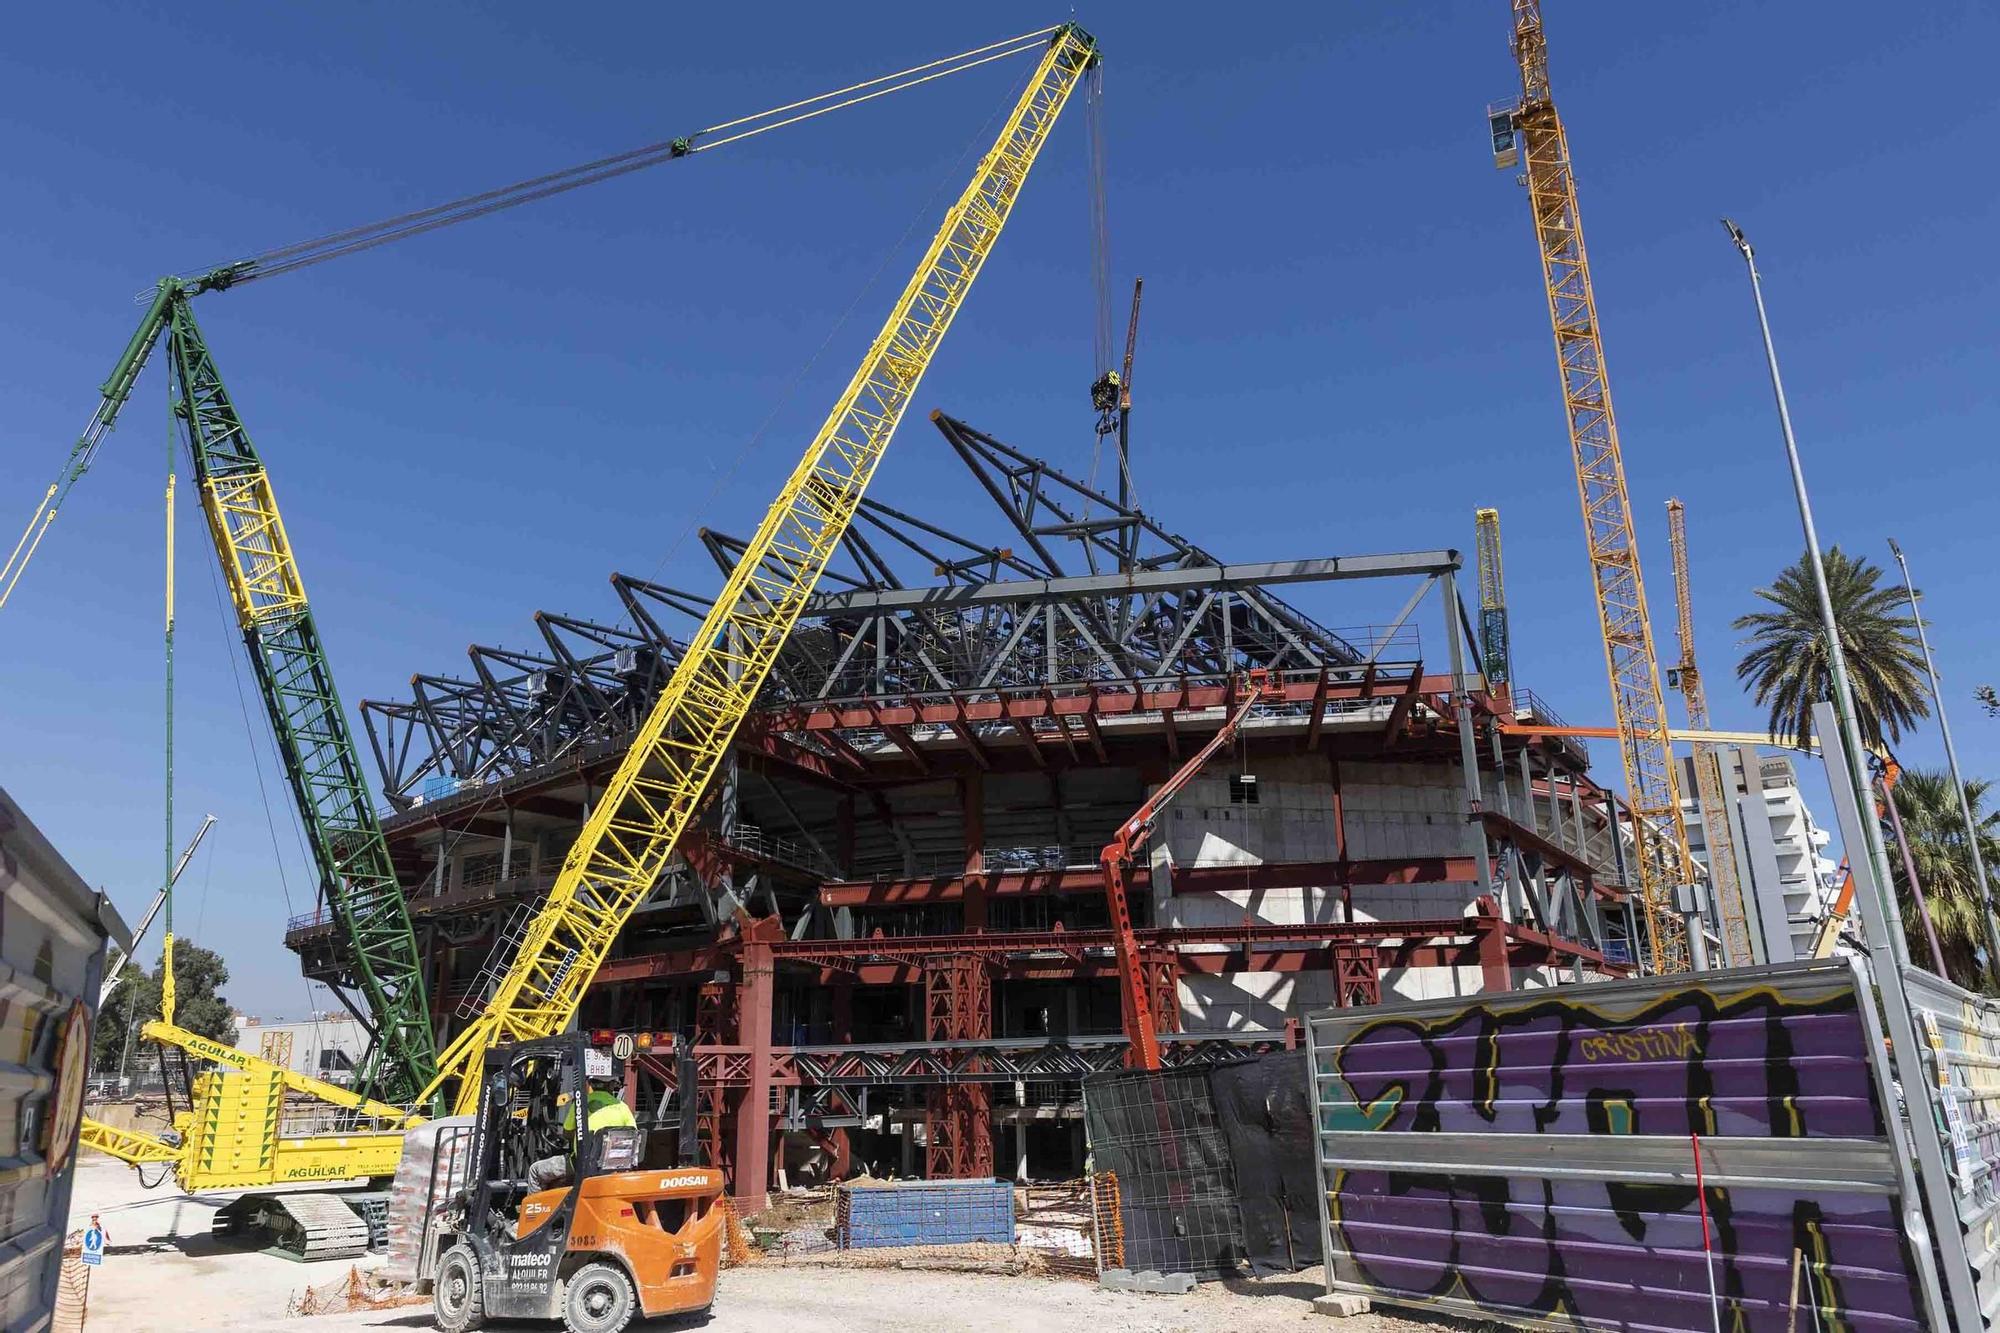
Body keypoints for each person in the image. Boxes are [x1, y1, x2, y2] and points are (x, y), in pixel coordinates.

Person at [526, 1049, 634, 1192]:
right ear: (611, 1085)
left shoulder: (580, 1103)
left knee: (535, 1171)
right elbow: (632, 1135)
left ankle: (536, 1213)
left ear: (591, 1084)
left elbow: (567, 1133)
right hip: (616, 1167)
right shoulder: (623, 1107)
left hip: (583, 1164)